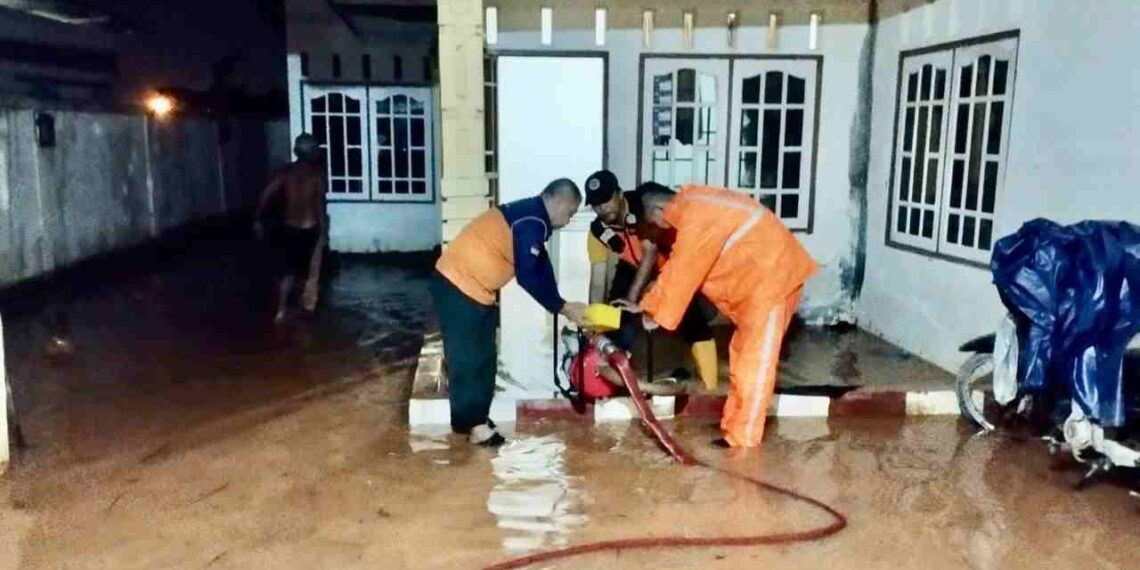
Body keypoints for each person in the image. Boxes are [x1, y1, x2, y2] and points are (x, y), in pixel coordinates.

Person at [636, 184, 817, 448]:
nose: (657, 229)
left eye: (653, 222)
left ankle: (744, 445)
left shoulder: (696, 214)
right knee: (742, 359)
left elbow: (685, 269)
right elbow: (677, 264)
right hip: (759, 286)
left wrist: (654, 313)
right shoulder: (693, 206)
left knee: (754, 364)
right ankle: (734, 429)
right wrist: (648, 301)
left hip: (773, 281)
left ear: (657, 209)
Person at [433, 179, 589, 446]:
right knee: (468, 358)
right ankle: (474, 426)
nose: (568, 220)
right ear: (560, 202)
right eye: (570, 213)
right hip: (458, 284)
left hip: (476, 290)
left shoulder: (533, 218)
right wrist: (561, 307)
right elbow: (528, 275)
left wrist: (563, 303)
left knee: (485, 357)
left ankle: (476, 417)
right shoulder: (531, 219)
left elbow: (542, 267)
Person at [584, 172, 719, 390]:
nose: (603, 207)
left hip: (667, 266)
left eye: (606, 199)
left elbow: (650, 253)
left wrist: (633, 297)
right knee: (614, 315)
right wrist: (593, 320)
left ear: (619, 194)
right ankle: (615, 377)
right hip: (631, 268)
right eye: (596, 204)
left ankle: (710, 387)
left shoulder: (641, 207)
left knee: (693, 319)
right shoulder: (597, 232)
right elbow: (598, 280)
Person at [254, 133, 328, 323]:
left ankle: (280, 311)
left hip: (289, 227)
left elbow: (265, 195)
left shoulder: (285, 172)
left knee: (287, 272)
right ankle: (307, 309)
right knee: (309, 273)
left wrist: (258, 218)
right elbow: (319, 203)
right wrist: (324, 231)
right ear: (312, 152)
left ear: (296, 151)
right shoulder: (316, 174)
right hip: (310, 228)